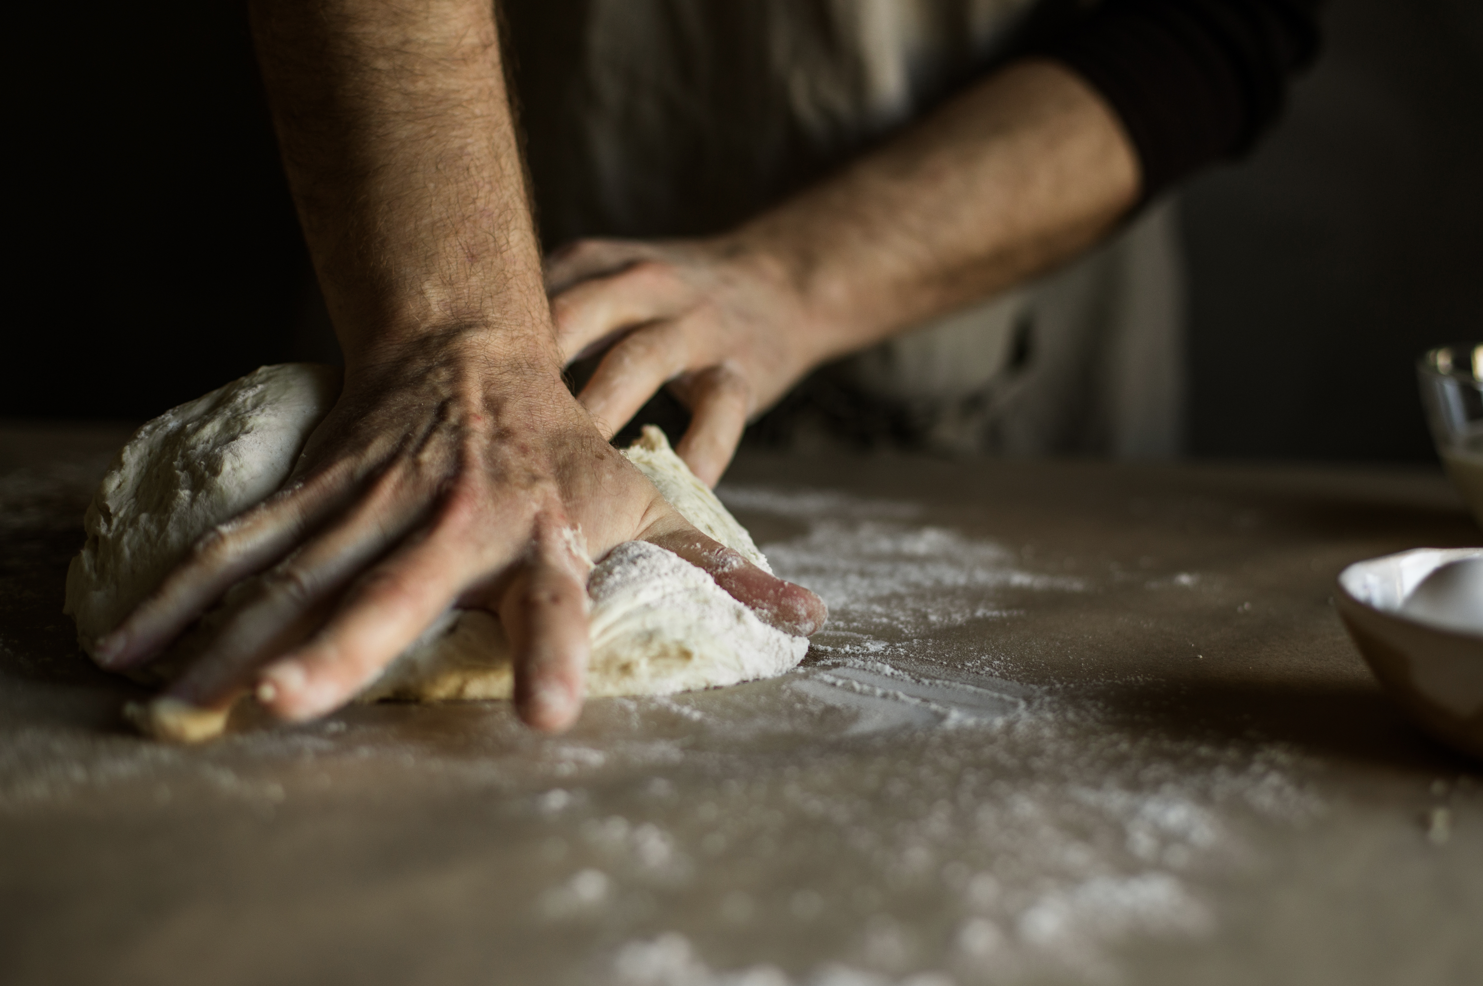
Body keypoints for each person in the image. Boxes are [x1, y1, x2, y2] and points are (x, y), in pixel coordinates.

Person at [91, 0, 1320, 732]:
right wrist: (458, 333)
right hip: (428, 233)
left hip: (996, 320)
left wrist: (801, 274)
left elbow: (1214, 18)